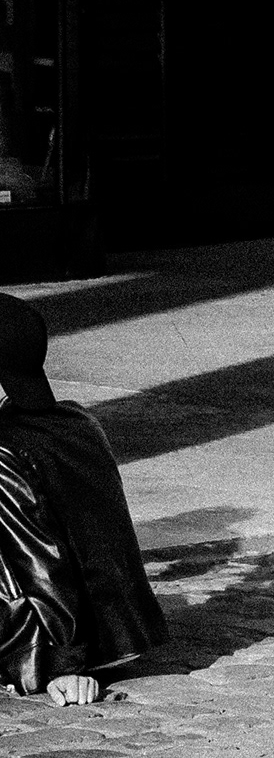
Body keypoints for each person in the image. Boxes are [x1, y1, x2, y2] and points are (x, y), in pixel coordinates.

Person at [0, 293, 166, 705]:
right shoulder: (78, 423)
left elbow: (40, 560)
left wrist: (59, 667)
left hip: (47, 642)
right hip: (118, 636)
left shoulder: (1, 453)